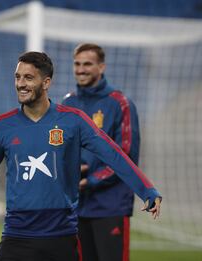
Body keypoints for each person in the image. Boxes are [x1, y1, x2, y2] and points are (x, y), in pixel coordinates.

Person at [0, 51, 162, 261]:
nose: (21, 84)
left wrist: (146, 190)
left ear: (46, 83)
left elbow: (113, 154)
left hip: (61, 237)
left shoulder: (74, 120)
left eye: (28, 78)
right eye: (17, 77)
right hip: (16, 236)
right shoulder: (3, 125)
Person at [62, 43, 142, 261]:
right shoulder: (67, 103)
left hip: (110, 205)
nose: (81, 69)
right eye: (77, 64)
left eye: (87, 64)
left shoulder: (121, 103)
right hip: (76, 208)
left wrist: (91, 180)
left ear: (102, 67)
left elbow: (126, 157)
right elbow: (61, 149)